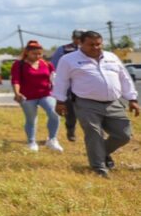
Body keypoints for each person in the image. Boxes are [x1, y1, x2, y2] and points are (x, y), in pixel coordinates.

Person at [54, 30, 139, 178]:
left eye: (98, 44)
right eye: (91, 44)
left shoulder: (111, 57)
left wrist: (132, 99)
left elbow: (124, 78)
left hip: (113, 102)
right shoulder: (68, 60)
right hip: (86, 103)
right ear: (81, 43)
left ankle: (102, 153)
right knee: (94, 134)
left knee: (124, 135)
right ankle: (99, 168)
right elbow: (61, 81)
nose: (95, 47)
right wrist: (60, 101)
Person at [10, 39, 62, 152]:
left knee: (54, 113)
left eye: (40, 53)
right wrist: (17, 93)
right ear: (27, 53)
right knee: (31, 119)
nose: (37, 56)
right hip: (27, 97)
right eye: (34, 53)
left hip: (46, 94)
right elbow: (16, 80)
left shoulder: (47, 64)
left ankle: (52, 139)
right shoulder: (19, 64)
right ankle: (31, 142)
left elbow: (54, 78)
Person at [50, 30, 85, 142]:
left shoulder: (91, 49)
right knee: (71, 114)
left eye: (81, 38)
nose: (79, 40)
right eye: (77, 38)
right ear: (73, 37)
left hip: (86, 88)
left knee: (90, 113)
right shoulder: (64, 50)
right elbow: (55, 67)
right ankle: (70, 129)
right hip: (69, 88)